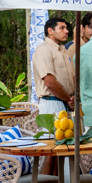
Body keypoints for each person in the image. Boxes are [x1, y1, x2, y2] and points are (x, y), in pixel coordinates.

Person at [32, 16, 76, 174]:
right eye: (62, 28)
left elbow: (72, 78)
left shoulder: (64, 50)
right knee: (51, 149)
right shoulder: (43, 50)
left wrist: (72, 98)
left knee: (62, 149)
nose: (66, 31)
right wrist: (68, 99)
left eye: (66, 28)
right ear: (50, 31)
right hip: (52, 103)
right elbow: (50, 82)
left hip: (66, 103)